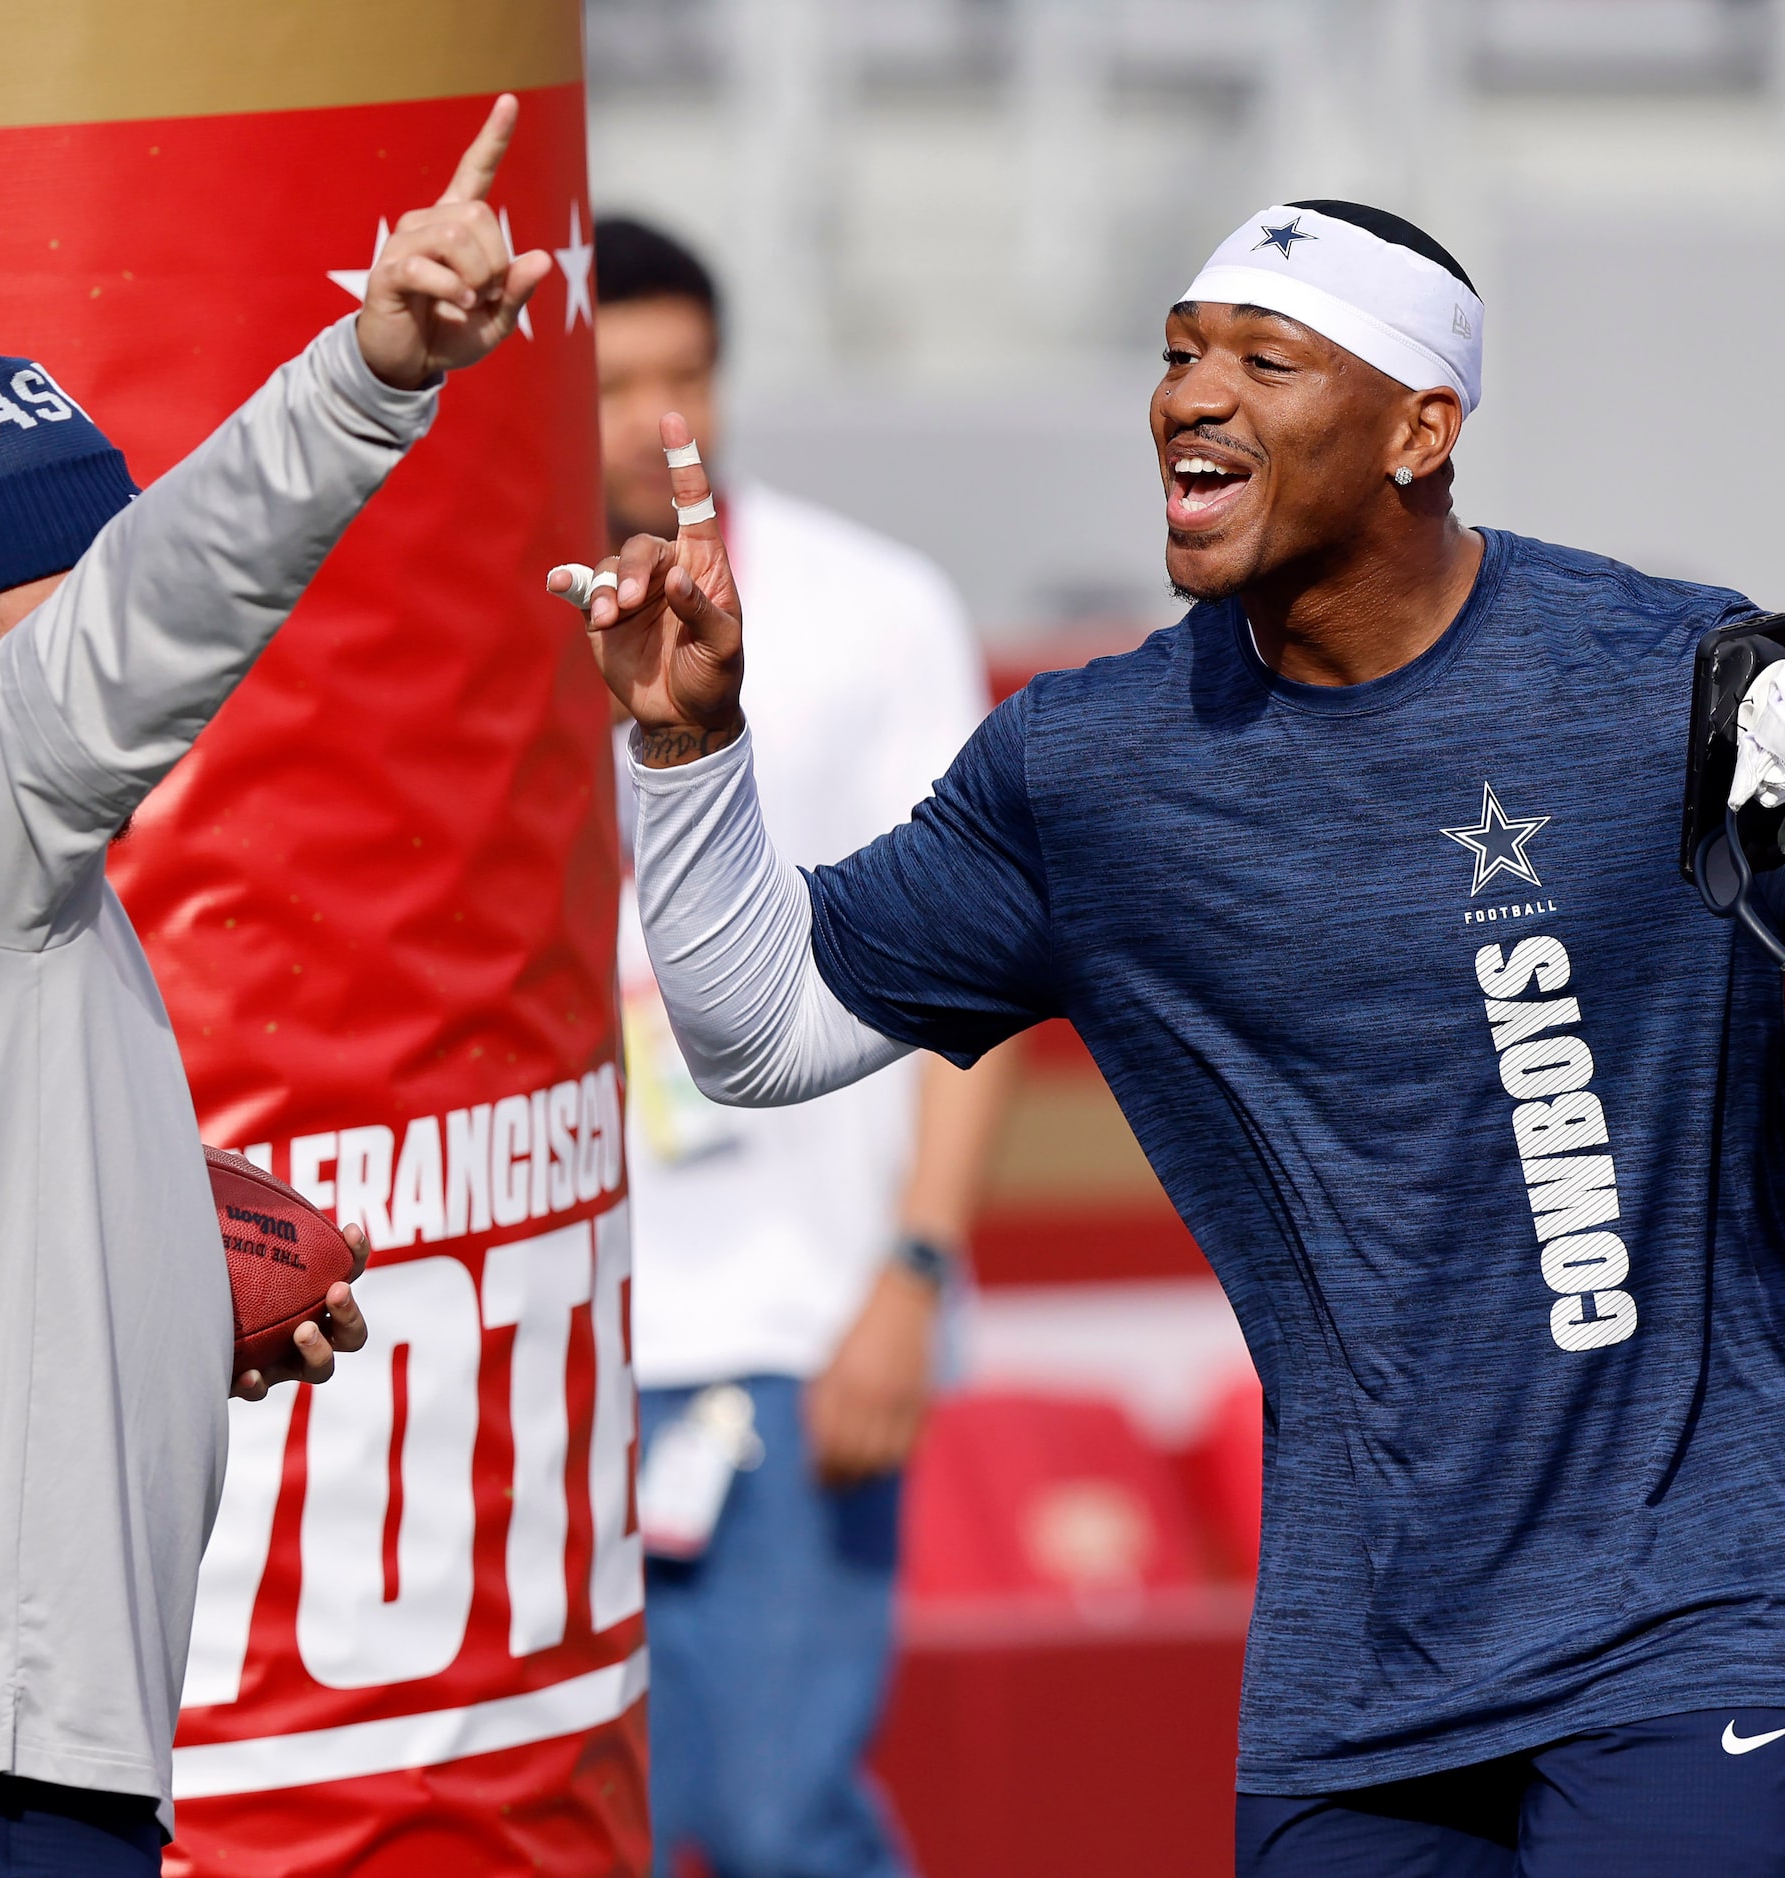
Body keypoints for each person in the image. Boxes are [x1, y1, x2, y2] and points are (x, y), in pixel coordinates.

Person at [559, 199, 1785, 1877]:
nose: (1194, 396)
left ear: (1423, 429)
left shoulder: (1671, 674)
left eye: (1265, 361)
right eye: (1180, 352)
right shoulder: (1090, 769)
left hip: (1697, 1606)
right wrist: (683, 755)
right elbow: (758, 1029)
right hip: (1365, 1659)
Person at [0, 99, 545, 1878]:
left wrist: (139, 1289)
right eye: (59, 582)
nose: (83, 631)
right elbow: (159, 610)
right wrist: (371, 372)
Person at [588, 216, 1009, 1878]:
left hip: (791, 1315)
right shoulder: (479, 615)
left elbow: (982, 984)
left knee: (780, 1827)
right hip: (566, 1333)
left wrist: (912, 1271)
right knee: (591, 1833)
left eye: (684, 375)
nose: (655, 417)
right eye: (613, 381)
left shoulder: (869, 607)